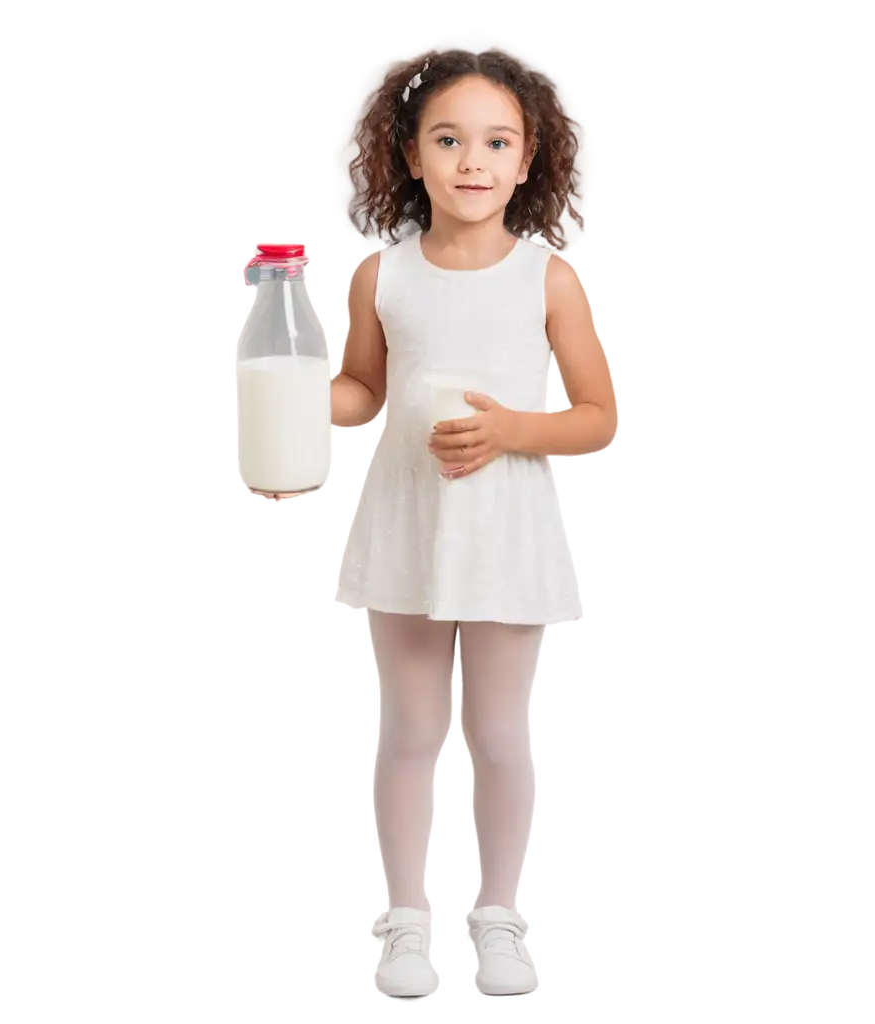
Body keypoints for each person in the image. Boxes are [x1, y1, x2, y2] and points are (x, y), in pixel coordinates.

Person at [263, 48, 611, 1000]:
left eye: (496, 141)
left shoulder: (547, 279)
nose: (472, 160)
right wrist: (281, 414)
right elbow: (363, 394)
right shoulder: (385, 275)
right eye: (448, 140)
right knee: (411, 729)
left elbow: (594, 412)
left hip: (505, 525)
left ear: (528, 157)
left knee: (499, 732)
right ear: (411, 157)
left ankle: (499, 915)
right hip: (409, 523)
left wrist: (510, 429)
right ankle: (405, 920)